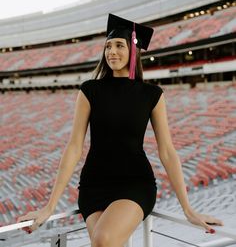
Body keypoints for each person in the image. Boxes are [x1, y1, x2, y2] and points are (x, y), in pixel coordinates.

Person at [17, 13, 223, 246]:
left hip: (135, 184)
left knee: (104, 240)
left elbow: (167, 151)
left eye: (119, 45)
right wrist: (49, 206)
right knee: (102, 243)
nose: (111, 52)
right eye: (108, 46)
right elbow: (74, 147)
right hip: (94, 185)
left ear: (133, 51)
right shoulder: (89, 90)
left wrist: (188, 209)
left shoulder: (152, 94)